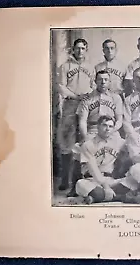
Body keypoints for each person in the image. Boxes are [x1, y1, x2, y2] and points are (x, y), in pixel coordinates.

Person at [56, 38, 94, 191]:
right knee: (67, 144)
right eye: (77, 48)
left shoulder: (91, 66)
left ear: (86, 49)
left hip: (85, 105)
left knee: (83, 141)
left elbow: (93, 86)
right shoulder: (65, 66)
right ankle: (65, 180)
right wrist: (75, 96)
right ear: (73, 49)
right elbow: (60, 86)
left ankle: (80, 179)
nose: (80, 51)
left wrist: (87, 96)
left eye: (83, 48)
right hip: (70, 105)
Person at [74, 116, 127, 204]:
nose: (107, 129)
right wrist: (105, 187)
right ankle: (120, 197)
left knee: (131, 181)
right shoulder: (88, 144)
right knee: (81, 184)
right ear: (98, 126)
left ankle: (96, 198)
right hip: (91, 181)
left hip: (110, 180)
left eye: (110, 126)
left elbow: (132, 145)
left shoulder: (118, 142)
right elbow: (93, 169)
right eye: (104, 125)